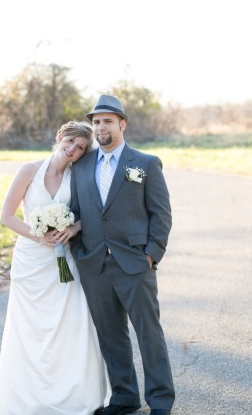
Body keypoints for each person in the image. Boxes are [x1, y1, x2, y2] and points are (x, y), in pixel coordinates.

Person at [0, 121, 109, 415]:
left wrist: (74, 228)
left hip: (64, 258)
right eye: (70, 142)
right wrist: (38, 235)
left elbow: (89, 213)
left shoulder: (78, 175)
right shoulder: (29, 170)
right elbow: (7, 216)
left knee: (72, 324)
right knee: (30, 330)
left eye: (80, 148)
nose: (73, 150)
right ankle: (29, 398)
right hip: (31, 261)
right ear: (59, 138)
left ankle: (75, 396)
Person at [69, 94, 175, 415]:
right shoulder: (81, 164)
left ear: (122, 124)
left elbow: (161, 214)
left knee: (149, 335)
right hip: (95, 264)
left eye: (108, 121)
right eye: (96, 122)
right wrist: (79, 251)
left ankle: (160, 401)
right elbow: (76, 210)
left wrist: (152, 255)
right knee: (111, 336)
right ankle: (124, 397)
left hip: (134, 264)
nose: (101, 127)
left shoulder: (144, 163)